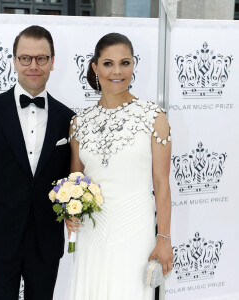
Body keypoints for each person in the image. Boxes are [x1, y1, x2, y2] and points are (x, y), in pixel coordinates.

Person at [0, 25, 74, 300]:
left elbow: (70, 180)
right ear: (14, 61)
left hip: (45, 242)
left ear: (52, 62)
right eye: (25, 58)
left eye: (41, 58)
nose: (33, 65)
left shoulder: (68, 119)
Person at [65, 33, 173, 300]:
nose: (117, 71)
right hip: (92, 229)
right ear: (95, 67)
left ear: (133, 65)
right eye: (108, 63)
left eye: (125, 63)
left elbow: (161, 184)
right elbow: (75, 182)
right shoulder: (79, 122)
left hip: (135, 229)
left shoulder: (153, 117)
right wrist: (69, 212)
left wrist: (164, 238)